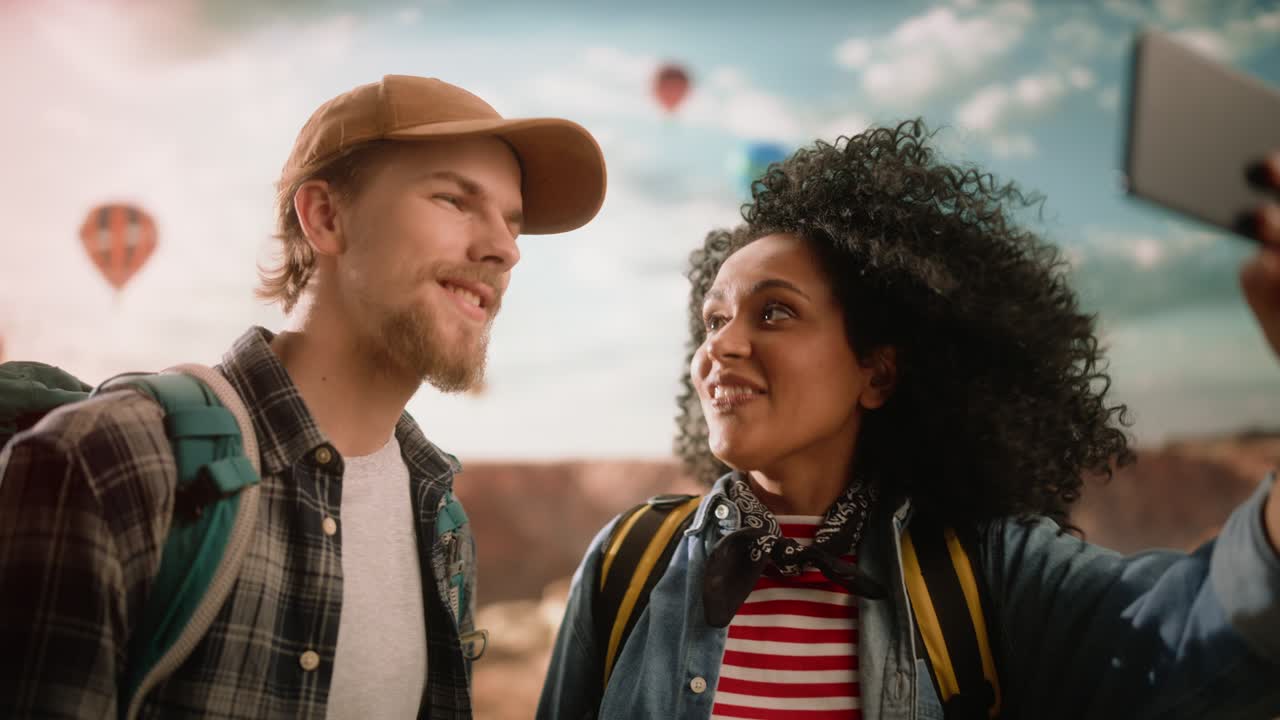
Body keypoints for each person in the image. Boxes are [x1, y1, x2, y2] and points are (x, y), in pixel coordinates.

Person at [538, 121, 1280, 719]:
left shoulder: (989, 571)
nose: (721, 346)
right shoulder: (629, 562)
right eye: (715, 318)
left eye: (775, 312)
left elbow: (1204, 629)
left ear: (877, 372)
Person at [0, 74, 606, 718]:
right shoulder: (109, 463)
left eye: (512, 222)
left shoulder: (440, 516)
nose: (505, 248)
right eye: (455, 201)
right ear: (325, 216)